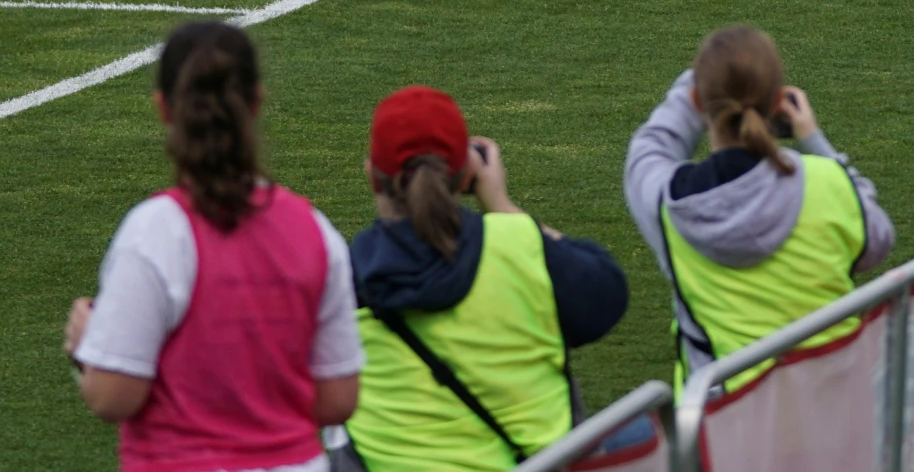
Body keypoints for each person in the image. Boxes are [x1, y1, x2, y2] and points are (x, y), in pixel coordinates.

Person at [65, 23, 366, 460]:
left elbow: (113, 396)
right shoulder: (315, 230)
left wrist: (89, 349)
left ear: (164, 108)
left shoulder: (155, 232)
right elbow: (338, 399)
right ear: (257, 102)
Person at [342, 86, 631, 472]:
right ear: (467, 175)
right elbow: (606, 296)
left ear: (372, 176)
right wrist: (502, 205)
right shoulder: (519, 244)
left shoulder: (338, 275)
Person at [624, 25, 896, 389]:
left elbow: (650, 147)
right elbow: (877, 239)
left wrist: (704, 81)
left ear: (699, 103)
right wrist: (814, 141)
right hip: (838, 409)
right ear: (778, 101)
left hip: (731, 424)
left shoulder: (668, 203)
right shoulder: (828, 181)